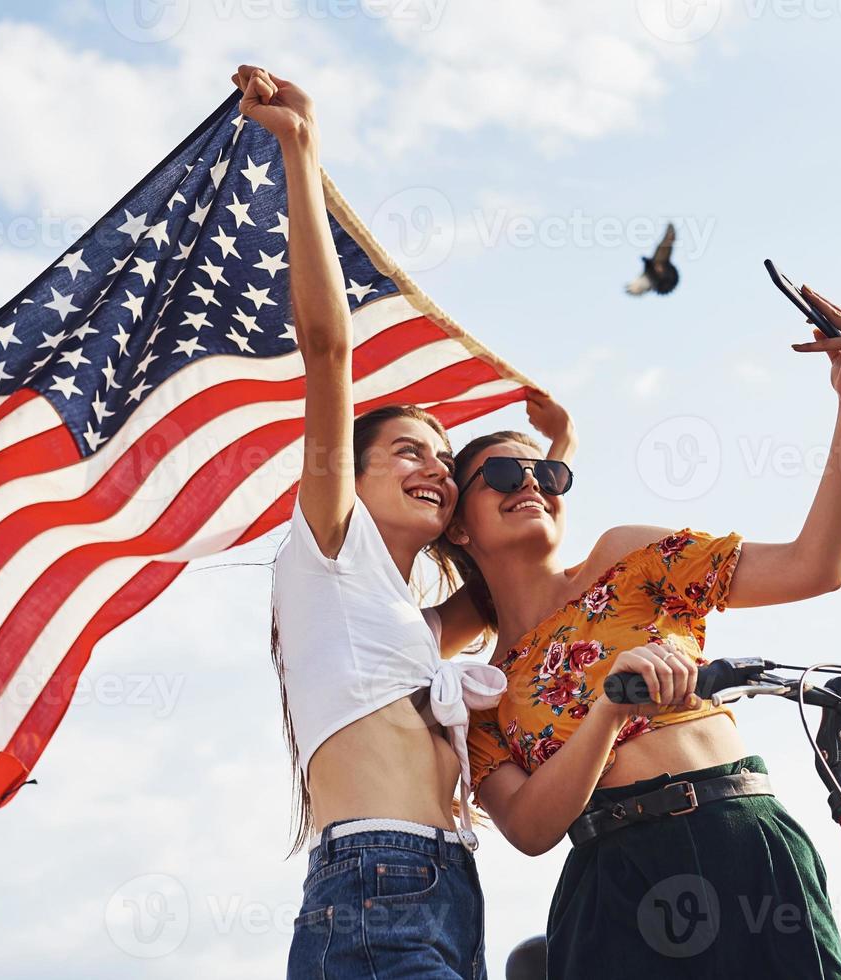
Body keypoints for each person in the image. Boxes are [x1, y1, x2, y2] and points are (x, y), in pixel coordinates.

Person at [232, 66, 576, 980]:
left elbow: (518, 585)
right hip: (373, 878)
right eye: (410, 453)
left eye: (443, 460)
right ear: (351, 472)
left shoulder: (415, 627)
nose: (435, 469)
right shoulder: (328, 549)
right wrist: (300, 151)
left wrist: (552, 464)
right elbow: (327, 346)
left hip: (447, 885)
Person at [444, 288, 841, 978]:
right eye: (499, 473)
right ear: (459, 527)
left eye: (545, 471)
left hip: (745, 836)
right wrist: (609, 712)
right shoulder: (482, 690)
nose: (527, 480)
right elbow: (528, 829)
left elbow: (813, 567)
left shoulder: (628, 557)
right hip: (616, 885)